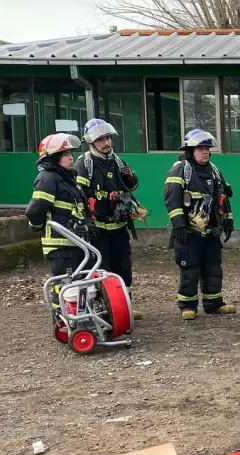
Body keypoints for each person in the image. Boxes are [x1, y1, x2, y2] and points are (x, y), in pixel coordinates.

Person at [75, 119, 145, 319]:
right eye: (101, 139)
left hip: (120, 226)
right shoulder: (84, 164)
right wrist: (85, 221)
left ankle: (125, 306)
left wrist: (130, 179)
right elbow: (79, 195)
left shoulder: (118, 161)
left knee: (124, 266)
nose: (106, 143)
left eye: (108, 138)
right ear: (91, 142)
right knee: (102, 269)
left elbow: (131, 187)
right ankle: (107, 309)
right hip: (98, 229)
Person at [163, 129, 236, 320]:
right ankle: (187, 306)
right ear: (190, 150)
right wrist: (179, 225)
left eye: (207, 149)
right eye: (201, 148)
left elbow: (223, 198)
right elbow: (171, 199)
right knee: (190, 270)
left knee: (213, 269)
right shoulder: (180, 169)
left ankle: (214, 303)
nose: (205, 152)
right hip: (189, 233)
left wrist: (228, 221)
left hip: (211, 232)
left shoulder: (214, 170)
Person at [25, 133, 90, 277]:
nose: (71, 157)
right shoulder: (48, 178)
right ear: (53, 157)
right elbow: (34, 211)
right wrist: (36, 226)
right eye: (65, 154)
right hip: (61, 247)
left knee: (80, 290)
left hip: (75, 244)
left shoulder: (67, 178)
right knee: (63, 289)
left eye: (70, 153)